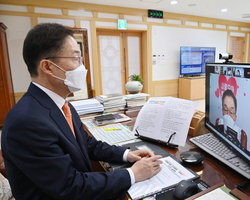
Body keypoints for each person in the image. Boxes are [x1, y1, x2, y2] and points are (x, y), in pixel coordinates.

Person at [1, 23, 162, 200]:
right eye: (76, 59)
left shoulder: (60, 103)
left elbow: (85, 143)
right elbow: (69, 187)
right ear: (47, 67)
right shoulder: (26, 122)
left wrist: (126, 154)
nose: (82, 67)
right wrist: (133, 174)